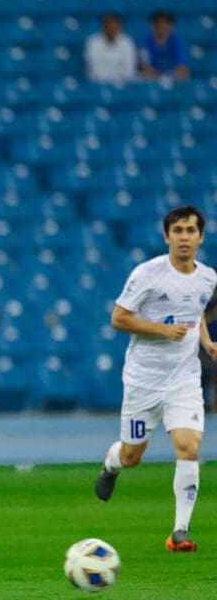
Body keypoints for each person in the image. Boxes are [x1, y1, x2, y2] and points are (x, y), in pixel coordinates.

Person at [94, 206, 217, 552]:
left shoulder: (208, 277)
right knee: (133, 455)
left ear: (200, 237)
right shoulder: (147, 275)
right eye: (177, 231)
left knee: (189, 446)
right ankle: (112, 464)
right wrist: (163, 330)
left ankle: (180, 532)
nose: (184, 237)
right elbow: (119, 318)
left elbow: (196, 311)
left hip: (183, 379)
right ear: (166, 237)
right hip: (143, 381)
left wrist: (206, 342)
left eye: (190, 230)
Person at [84, 12, 137, 85]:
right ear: (103, 26)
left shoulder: (127, 42)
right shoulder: (93, 43)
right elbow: (95, 68)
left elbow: (129, 69)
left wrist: (119, 83)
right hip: (99, 84)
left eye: (114, 24)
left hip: (123, 84)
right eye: (108, 24)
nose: (111, 27)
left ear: (120, 26)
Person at [139, 10, 190, 82]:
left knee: (184, 73)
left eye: (164, 24)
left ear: (171, 27)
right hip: (153, 75)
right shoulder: (145, 41)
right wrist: (155, 75)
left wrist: (177, 73)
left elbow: (181, 65)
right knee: (145, 73)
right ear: (152, 26)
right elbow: (144, 64)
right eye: (157, 24)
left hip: (171, 74)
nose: (161, 27)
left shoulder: (176, 41)